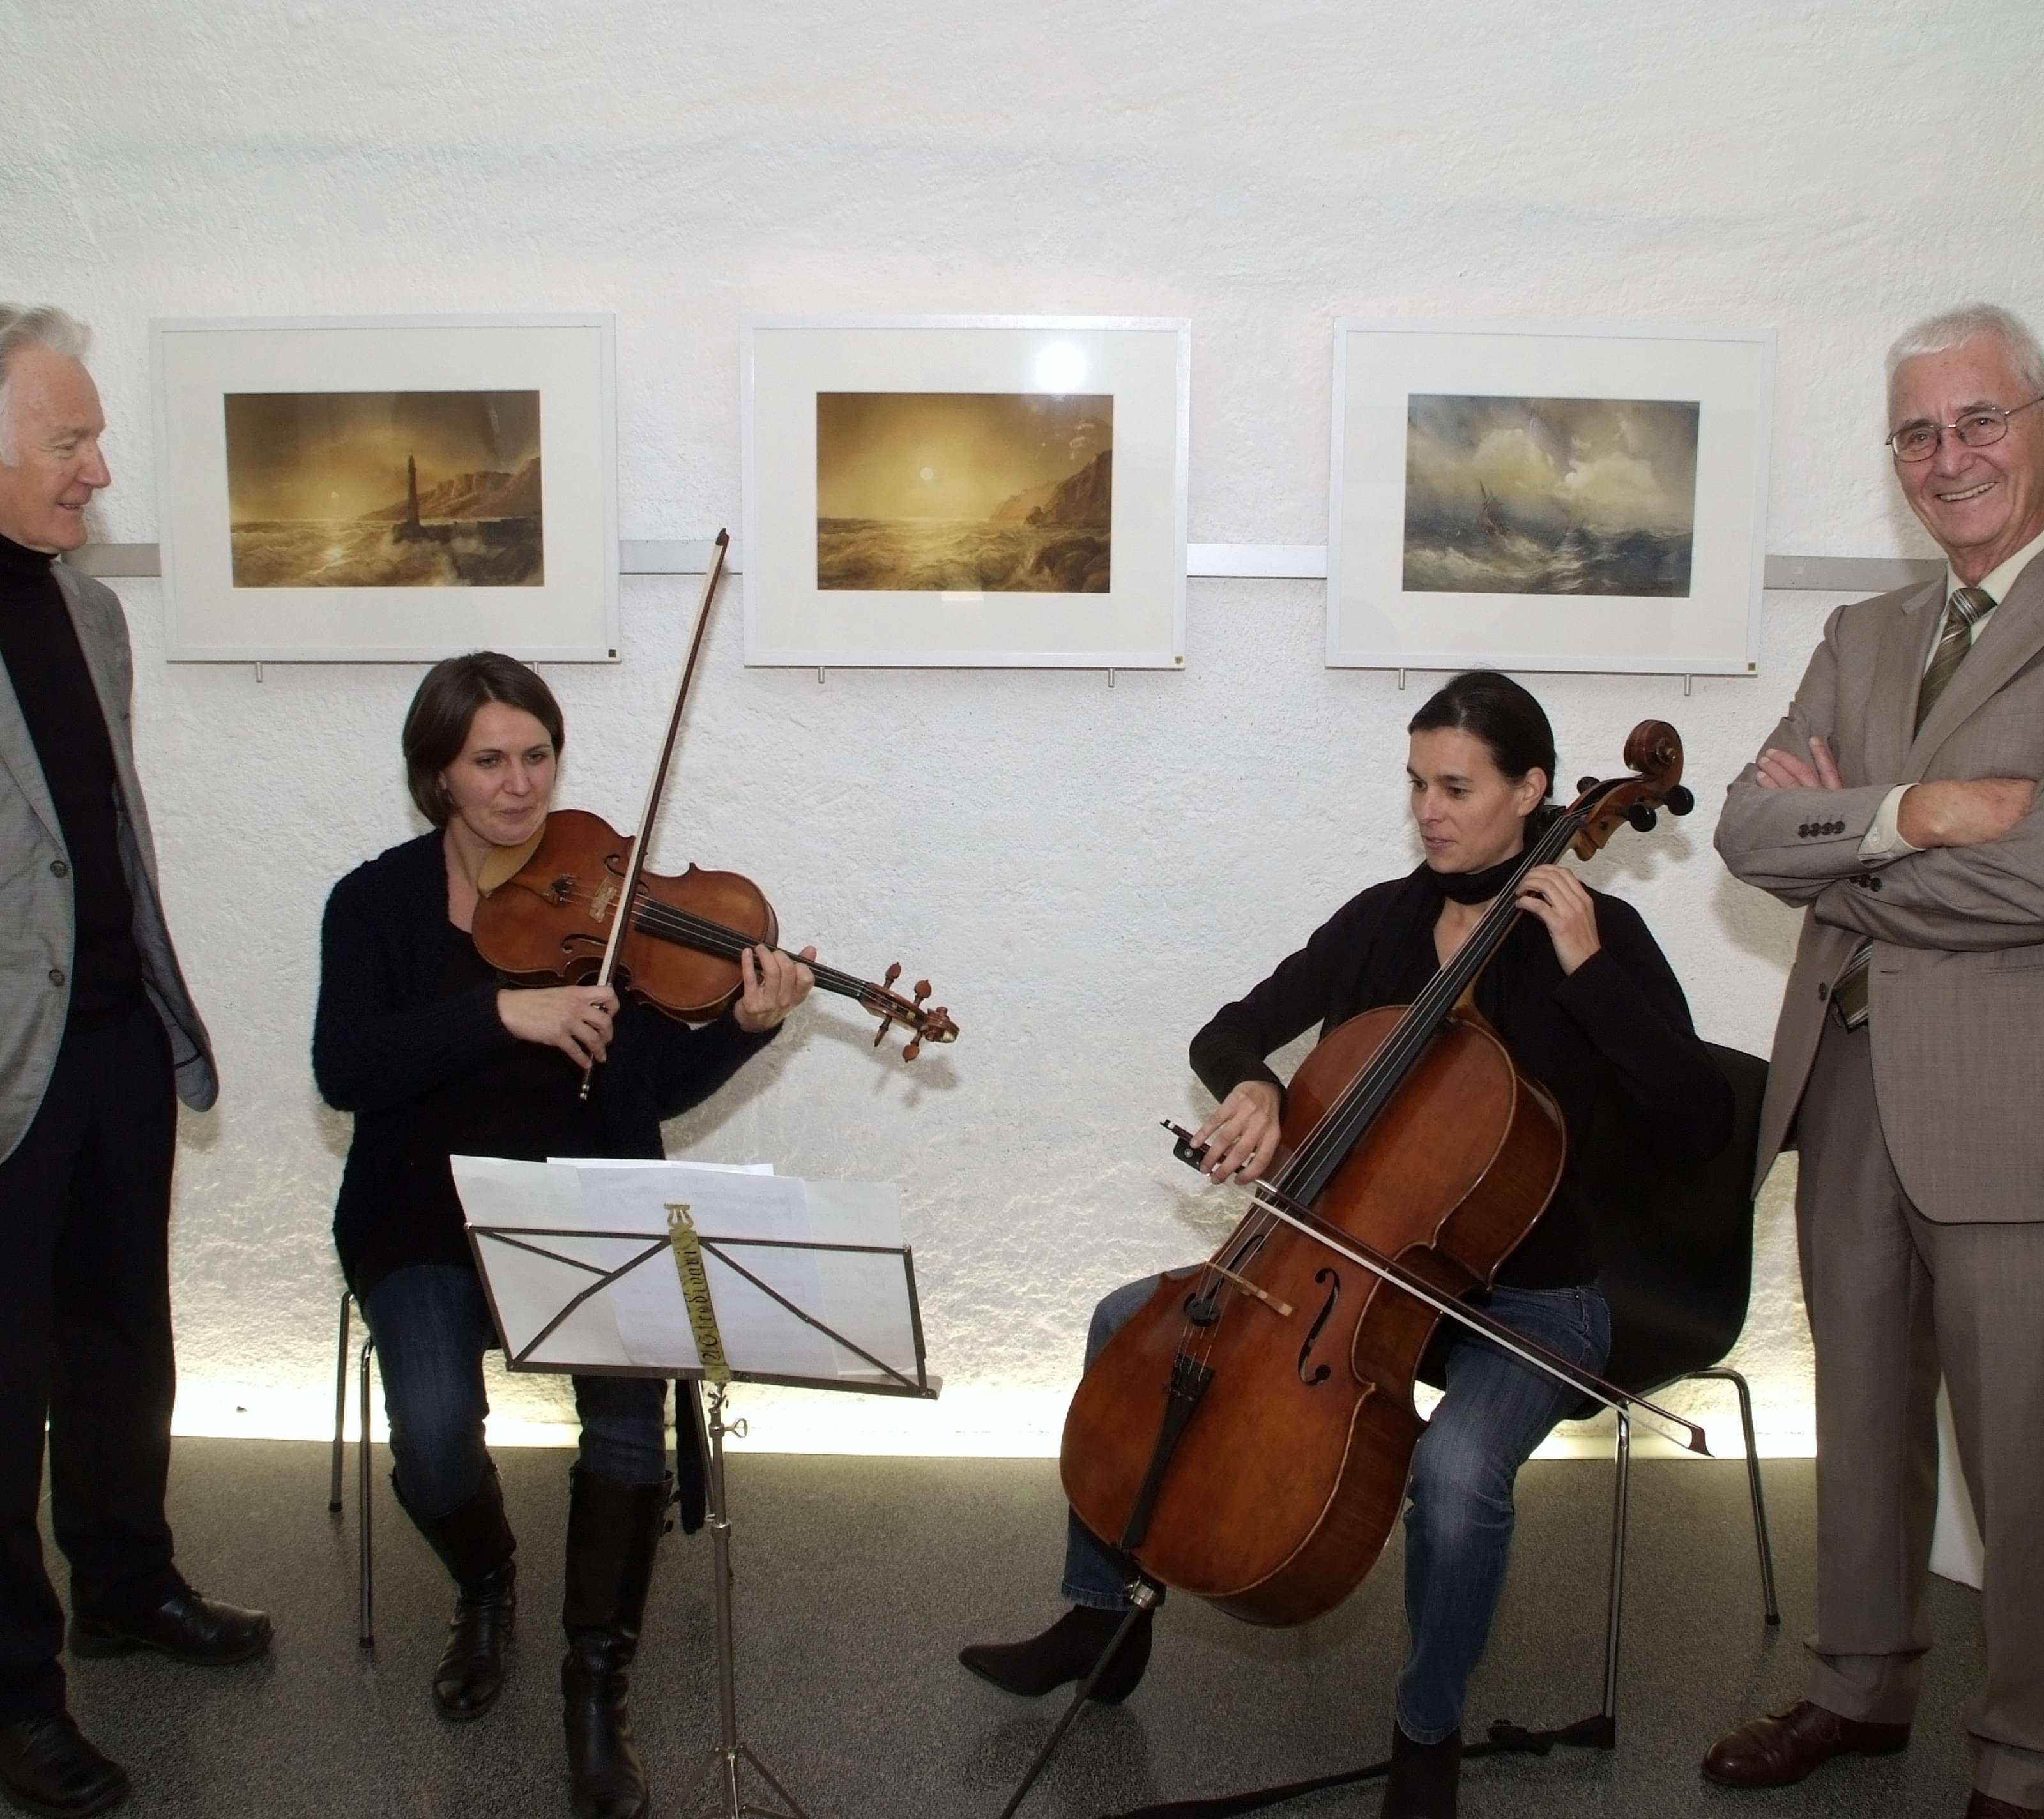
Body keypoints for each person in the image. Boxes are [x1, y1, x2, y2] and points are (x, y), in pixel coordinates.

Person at [960, 670, 1732, 1819]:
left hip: (1530, 1296)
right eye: (1418, 783)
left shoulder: (1598, 936)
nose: (1430, 809)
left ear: (1532, 792)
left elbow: (1698, 1124)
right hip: (1346, 1271)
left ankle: (1428, 1729)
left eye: (1456, 787)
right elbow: (1227, 1031)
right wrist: (1259, 1088)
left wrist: (1591, 975)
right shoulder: (1381, 918)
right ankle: (1101, 1621)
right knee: (1129, 1321)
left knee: (1459, 1473)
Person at [312, 651, 811, 1819]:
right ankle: (488, 1580)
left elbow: (652, 1089)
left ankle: (598, 1683)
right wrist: (500, 1012)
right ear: (437, 773)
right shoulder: (374, 903)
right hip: (421, 1216)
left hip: (590, 1205)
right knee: (434, 1441)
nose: (520, 784)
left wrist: (742, 1025)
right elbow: (347, 1070)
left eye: (538, 755)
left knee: (626, 1429)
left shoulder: (607, 898)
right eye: (489, 759)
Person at [1709, 303, 2044, 1819]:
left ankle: (2026, 1751)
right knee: (1860, 1413)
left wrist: (1840, 840)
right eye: (1917, 431)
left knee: (2022, 1448)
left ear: (2036, 423)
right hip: (1842, 1090)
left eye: (1979, 419)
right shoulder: (1864, 635)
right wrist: (1925, 813)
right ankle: (1857, 1682)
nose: (1948, 456)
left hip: (2006, 1107)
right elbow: (1742, 828)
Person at [0, 305, 270, 1819]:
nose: (99, 469)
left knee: (122, 1338)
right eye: (68, 440)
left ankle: (125, 1580)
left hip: (110, 1040)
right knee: (2, 1386)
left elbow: (96, 837)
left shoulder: (89, 611)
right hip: (3, 1066)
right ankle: (17, 1693)